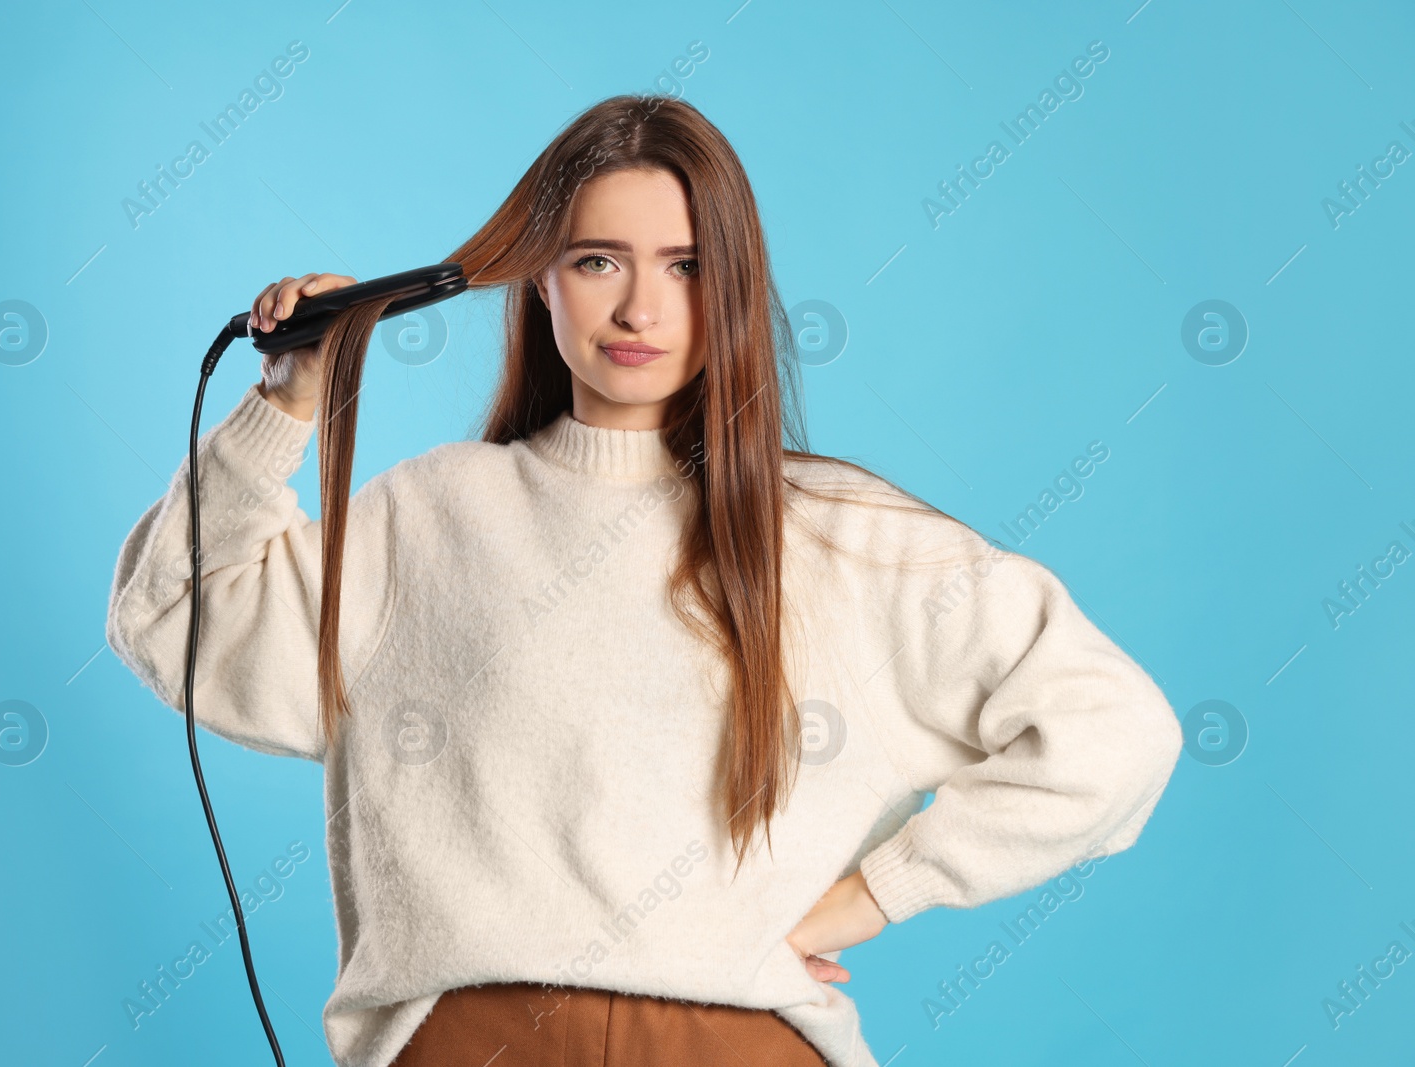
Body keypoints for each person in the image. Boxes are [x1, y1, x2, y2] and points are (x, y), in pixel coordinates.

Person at [105, 94, 1182, 1067]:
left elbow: (1112, 727)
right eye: (595, 260)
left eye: (685, 264)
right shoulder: (427, 516)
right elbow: (174, 623)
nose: (639, 310)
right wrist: (288, 395)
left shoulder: (845, 538)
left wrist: (876, 893)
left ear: (736, 286)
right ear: (537, 279)